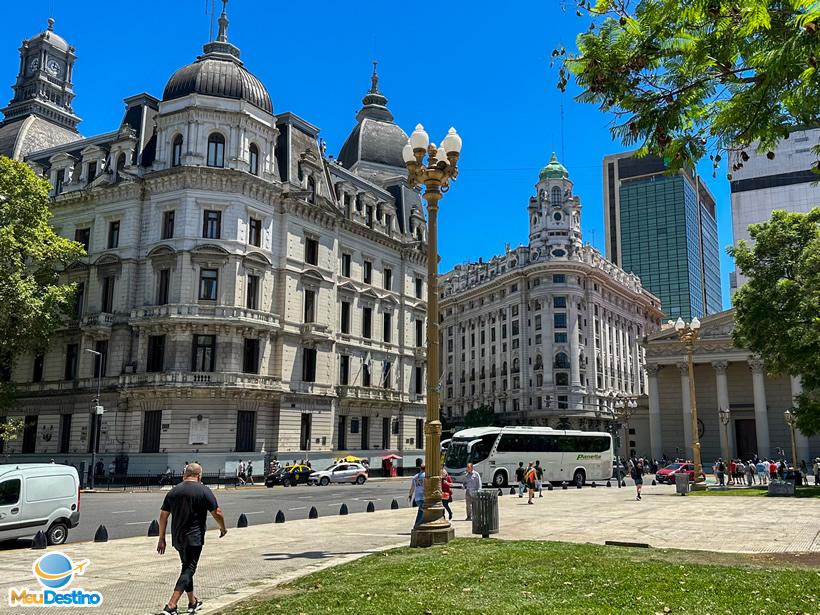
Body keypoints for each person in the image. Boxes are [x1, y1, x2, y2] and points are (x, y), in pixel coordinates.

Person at [157, 463, 227, 615]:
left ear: (184, 475)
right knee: (189, 569)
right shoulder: (203, 490)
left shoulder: (174, 491)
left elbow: (163, 516)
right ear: (199, 476)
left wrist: (161, 538)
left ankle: (192, 602)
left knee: (186, 567)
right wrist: (223, 528)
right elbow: (217, 512)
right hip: (194, 537)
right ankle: (171, 605)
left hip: (177, 538)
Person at [408, 463, 426, 528]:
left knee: (421, 511)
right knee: (423, 512)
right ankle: (417, 525)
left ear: (420, 468)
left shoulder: (415, 476)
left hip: (417, 498)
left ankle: (419, 525)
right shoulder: (426, 476)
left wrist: (410, 496)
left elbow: (412, 488)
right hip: (424, 497)